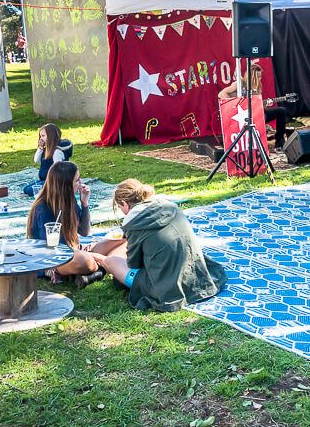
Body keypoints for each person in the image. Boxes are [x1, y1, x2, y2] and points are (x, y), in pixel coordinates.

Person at [92, 179, 227, 311]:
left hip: (164, 287)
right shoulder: (170, 206)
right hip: (195, 274)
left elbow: (134, 264)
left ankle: (97, 259)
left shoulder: (135, 222)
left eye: (120, 207)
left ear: (124, 203)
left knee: (111, 261)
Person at [26, 161, 105, 288]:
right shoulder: (42, 208)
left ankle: (95, 272)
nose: (81, 183)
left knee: (119, 244)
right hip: (52, 260)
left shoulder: (70, 199)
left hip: (73, 251)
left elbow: (84, 232)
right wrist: (97, 257)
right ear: (66, 185)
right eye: (77, 180)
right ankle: (100, 268)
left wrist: (84, 204)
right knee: (84, 261)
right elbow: (55, 249)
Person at [218, 60, 292, 149]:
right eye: (258, 76)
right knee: (262, 117)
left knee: (281, 111)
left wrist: (266, 104)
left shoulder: (258, 86)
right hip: (242, 115)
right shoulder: (240, 83)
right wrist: (236, 106)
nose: (260, 78)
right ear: (252, 76)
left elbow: (258, 106)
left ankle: (279, 142)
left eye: (260, 76)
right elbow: (221, 94)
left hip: (255, 113)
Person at [24, 123, 69, 197]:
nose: (41, 138)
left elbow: (58, 169)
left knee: (30, 190)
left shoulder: (57, 151)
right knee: (26, 189)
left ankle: (56, 190)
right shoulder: (46, 148)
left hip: (56, 181)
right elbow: (36, 160)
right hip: (46, 179)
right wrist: (40, 148)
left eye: (43, 136)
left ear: (51, 136)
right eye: (40, 136)